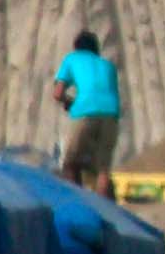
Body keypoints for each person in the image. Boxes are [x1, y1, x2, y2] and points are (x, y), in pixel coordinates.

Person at [49, 30, 124, 194]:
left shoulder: (71, 59)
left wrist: (69, 102)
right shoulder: (107, 65)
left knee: (70, 163)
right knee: (103, 169)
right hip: (111, 114)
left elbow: (58, 93)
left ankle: (80, 206)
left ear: (76, 48)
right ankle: (105, 211)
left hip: (85, 111)